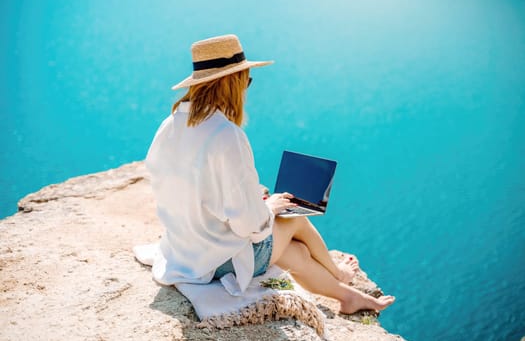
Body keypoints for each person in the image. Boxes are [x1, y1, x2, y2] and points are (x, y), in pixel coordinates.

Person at [145, 34, 395, 314]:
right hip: (217, 261)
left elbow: (184, 188)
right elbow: (249, 226)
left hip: (185, 250)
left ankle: (347, 297)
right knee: (295, 218)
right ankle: (339, 273)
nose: (246, 89)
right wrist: (268, 208)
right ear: (232, 82)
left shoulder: (170, 125)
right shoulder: (226, 135)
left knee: (296, 254)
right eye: (246, 80)